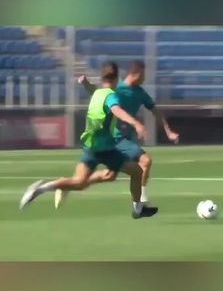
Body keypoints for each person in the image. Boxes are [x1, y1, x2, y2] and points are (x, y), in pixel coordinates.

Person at [19, 62, 158, 219]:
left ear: (102, 77)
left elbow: (93, 90)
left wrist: (85, 83)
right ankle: (138, 209)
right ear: (117, 77)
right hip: (107, 149)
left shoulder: (99, 93)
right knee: (137, 171)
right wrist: (136, 123)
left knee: (80, 182)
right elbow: (116, 110)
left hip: (90, 147)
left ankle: (40, 189)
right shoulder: (111, 96)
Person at [79, 60, 179, 205]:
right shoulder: (117, 88)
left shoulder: (140, 93)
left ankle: (75, 183)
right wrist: (86, 84)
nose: (145, 78)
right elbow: (97, 94)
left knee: (110, 175)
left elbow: (155, 111)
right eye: (144, 75)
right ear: (136, 74)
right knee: (145, 161)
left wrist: (169, 132)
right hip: (115, 138)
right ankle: (142, 201)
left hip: (125, 139)